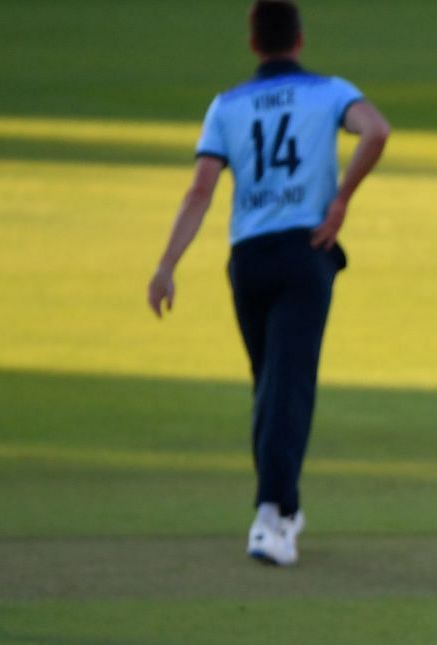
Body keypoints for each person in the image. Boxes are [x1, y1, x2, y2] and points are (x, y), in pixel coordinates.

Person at [147, 0, 390, 567]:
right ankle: (276, 516)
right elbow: (376, 131)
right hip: (305, 253)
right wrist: (340, 201)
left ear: (254, 44)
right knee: (285, 388)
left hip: (249, 260)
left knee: (271, 387)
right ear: (299, 39)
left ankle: (276, 509)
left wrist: (167, 265)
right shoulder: (330, 92)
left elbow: (200, 191)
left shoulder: (226, 106)